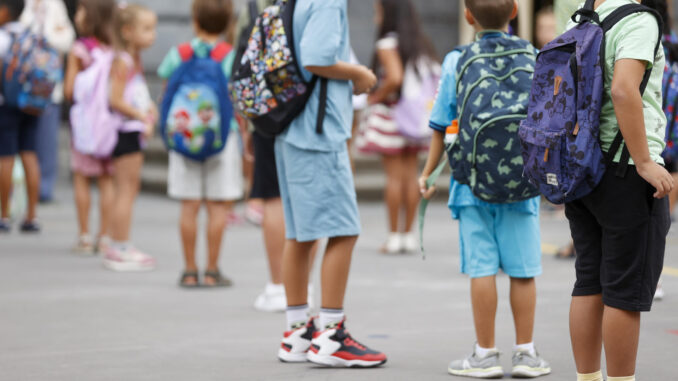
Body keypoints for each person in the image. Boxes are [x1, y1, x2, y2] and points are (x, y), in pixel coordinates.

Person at [420, 0, 551, 378]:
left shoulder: (457, 60)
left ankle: (485, 354)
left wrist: (428, 176)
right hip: (523, 182)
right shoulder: (534, 55)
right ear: (514, 12)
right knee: (523, 270)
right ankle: (525, 353)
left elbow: (441, 125)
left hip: (472, 183)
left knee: (482, 269)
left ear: (467, 15)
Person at [563, 1, 673, 380]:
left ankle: (588, 378)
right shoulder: (639, 20)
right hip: (625, 169)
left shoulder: (582, 15)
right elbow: (624, 90)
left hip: (581, 166)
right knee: (624, 291)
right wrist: (644, 161)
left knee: (589, 281)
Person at [274, 0, 386, 368]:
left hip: (290, 127)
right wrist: (359, 75)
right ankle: (332, 336)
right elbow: (317, 58)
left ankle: (298, 333)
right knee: (343, 230)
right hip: (318, 134)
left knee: (302, 233)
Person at [157, 0, 243, 287]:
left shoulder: (179, 54)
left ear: (194, 20)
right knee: (218, 206)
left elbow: (165, 85)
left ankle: (190, 270)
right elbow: (238, 98)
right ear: (229, 22)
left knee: (189, 206)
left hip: (185, 136)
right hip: (222, 137)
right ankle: (212, 270)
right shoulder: (230, 56)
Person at [366, 0, 436, 254]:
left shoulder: (386, 43)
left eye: (378, 9)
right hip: (414, 119)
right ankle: (409, 236)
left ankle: (394, 236)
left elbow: (394, 77)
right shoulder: (418, 42)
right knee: (410, 177)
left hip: (394, 117)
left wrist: (376, 96)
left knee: (394, 178)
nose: (376, 14)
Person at [102, 3, 158, 271]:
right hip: (125, 132)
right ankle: (120, 245)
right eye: (146, 29)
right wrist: (141, 116)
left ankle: (118, 243)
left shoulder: (130, 59)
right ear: (127, 31)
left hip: (130, 131)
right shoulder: (123, 60)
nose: (152, 35)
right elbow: (115, 99)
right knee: (126, 189)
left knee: (126, 188)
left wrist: (148, 111)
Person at [63, 0, 116, 255]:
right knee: (107, 180)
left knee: (82, 178)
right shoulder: (115, 49)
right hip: (109, 126)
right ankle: (104, 236)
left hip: (84, 127)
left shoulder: (80, 49)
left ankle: (84, 236)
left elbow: (69, 90)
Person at [20, 0, 75, 202]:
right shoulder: (21, 5)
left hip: (49, 87)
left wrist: (46, 36)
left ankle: (43, 189)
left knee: (46, 141)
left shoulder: (55, 4)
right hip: (22, 86)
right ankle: (18, 190)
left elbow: (67, 38)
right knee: (21, 141)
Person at [0, 0, 42, 234]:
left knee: (5, 157)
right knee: (29, 154)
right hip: (31, 104)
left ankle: (3, 215)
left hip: (6, 104)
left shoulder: (2, 38)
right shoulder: (32, 37)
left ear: (5, 11)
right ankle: (32, 216)